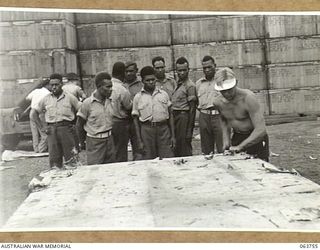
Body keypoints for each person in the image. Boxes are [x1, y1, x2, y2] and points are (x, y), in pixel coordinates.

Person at [213, 67, 269, 161]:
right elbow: (225, 120)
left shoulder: (248, 98)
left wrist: (240, 147)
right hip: (237, 136)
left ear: (236, 83)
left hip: (255, 138)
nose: (227, 94)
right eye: (223, 91)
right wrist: (226, 142)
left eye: (229, 90)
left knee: (260, 171)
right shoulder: (218, 102)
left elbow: (261, 129)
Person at [33, 73, 81, 169]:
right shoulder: (46, 99)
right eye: (52, 85)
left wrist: (76, 125)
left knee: (71, 159)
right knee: (54, 160)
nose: (54, 87)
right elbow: (34, 113)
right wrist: (43, 128)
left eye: (56, 84)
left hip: (66, 130)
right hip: (52, 131)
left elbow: (81, 110)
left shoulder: (70, 97)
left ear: (61, 84)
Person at [132, 66, 175, 160]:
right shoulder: (138, 97)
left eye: (153, 79)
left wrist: (173, 136)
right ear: (142, 81)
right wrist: (139, 140)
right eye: (148, 80)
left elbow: (170, 115)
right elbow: (135, 120)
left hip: (163, 130)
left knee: (167, 159)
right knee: (148, 159)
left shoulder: (163, 94)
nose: (151, 82)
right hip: (147, 130)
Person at [76, 72, 115, 165]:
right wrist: (82, 143)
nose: (111, 90)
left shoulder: (111, 101)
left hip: (109, 140)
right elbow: (79, 125)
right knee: (94, 171)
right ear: (99, 86)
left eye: (111, 86)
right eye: (108, 87)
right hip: (94, 142)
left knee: (111, 170)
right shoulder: (87, 103)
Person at [196, 55, 223, 155]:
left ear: (215, 66)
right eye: (204, 68)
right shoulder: (199, 83)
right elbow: (196, 102)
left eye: (209, 67)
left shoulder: (221, 81)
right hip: (204, 116)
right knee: (206, 150)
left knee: (223, 147)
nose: (207, 70)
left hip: (219, 116)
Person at [171, 57, 197, 157]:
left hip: (183, 117)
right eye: (179, 70)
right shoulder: (177, 84)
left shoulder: (190, 86)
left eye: (184, 70)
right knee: (176, 147)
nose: (182, 73)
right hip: (176, 117)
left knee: (184, 147)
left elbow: (192, 109)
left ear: (188, 70)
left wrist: (189, 131)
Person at [111, 62, 132, 162]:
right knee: (121, 152)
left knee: (111, 151)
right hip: (120, 124)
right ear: (122, 73)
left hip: (107, 122)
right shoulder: (122, 89)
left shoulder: (106, 85)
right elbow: (128, 106)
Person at [124, 61, 144, 161]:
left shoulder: (141, 85)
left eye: (131, 71)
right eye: (126, 71)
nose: (128, 73)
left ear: (136, 71)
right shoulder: (121, 85)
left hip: (136, 121)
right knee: (121, 149)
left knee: (138, 148)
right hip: (123, 120)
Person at [26, 78, 51, 153]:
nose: (52, 87)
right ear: (47, 85)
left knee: (35, 133)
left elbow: (27, 98)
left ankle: (36, 149)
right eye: (50, 85)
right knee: (44, 132)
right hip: (41, 113)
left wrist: (34, 101)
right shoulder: (48, 93)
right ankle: (41, 149)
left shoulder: (36, 91)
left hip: (32, 111)